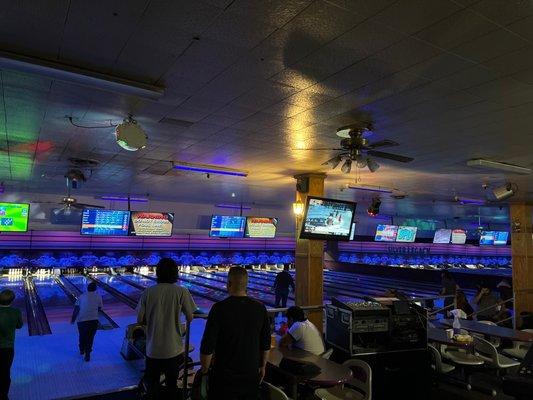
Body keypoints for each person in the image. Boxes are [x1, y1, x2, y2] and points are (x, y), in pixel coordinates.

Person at [200, 266, 271, 400]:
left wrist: (204, 372)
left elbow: (207, 346)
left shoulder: (218, 309)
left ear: (229, 284)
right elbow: (265, 344)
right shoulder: (260, 308)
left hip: (223, 379)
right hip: (250, 377)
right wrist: (263, 366)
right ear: (246, 284)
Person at [137, 258, 196, 399]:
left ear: (157, 272)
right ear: (176, 273)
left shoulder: (148, 292)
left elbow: (139, 320)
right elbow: (190, 317)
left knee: (153, 387)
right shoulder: (182, 291)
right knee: (171, 386)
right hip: (173, 350)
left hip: (152, 350)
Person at [70, 282, 103, 362]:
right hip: (93, 321)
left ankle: (82, 350)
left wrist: (73, 319)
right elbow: (99, 308)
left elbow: (76, 309)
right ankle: (87, 354)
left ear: (87, 288)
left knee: (82, 336)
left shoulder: (81, 296)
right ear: (95, 289)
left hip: (82, 321)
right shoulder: (98, 296)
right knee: (90, 338)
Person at [0, 289, 23, 400]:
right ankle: (4, 396)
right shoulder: (16, 312)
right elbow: (19, 326)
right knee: (5, 372)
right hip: (7, 348)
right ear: (12, 300)